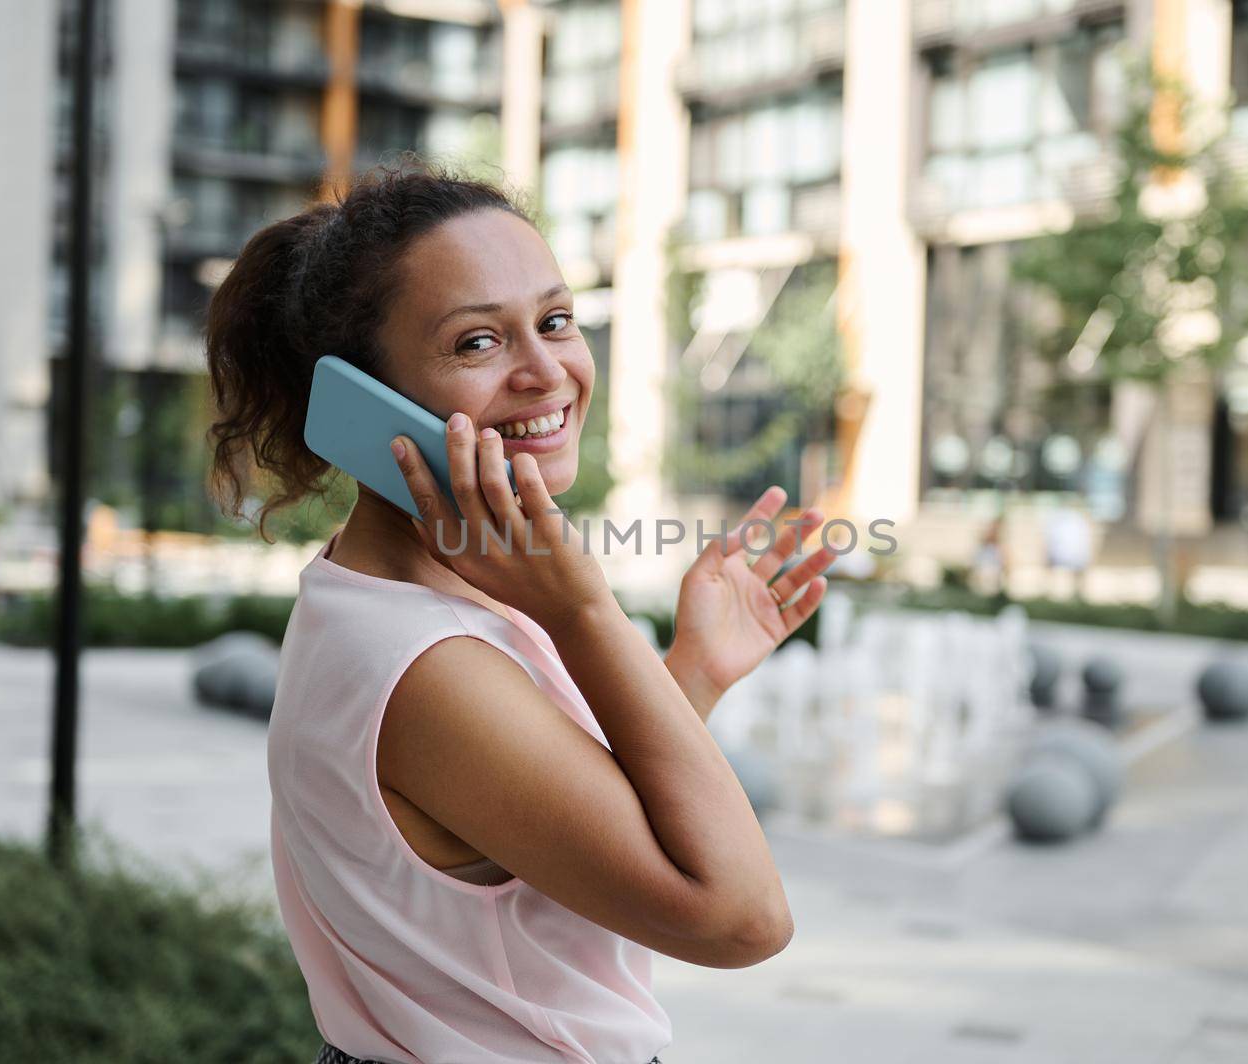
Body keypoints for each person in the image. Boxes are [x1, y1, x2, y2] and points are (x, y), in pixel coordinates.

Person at [205, 157, 837, 1064]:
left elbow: (559, 833)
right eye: (477, 343)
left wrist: (692, 669)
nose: (548, 373)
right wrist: (585, 610)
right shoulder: (423, 665)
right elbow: (741, 920)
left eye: (555, 321)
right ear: (361, 399)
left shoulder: (404, 596)